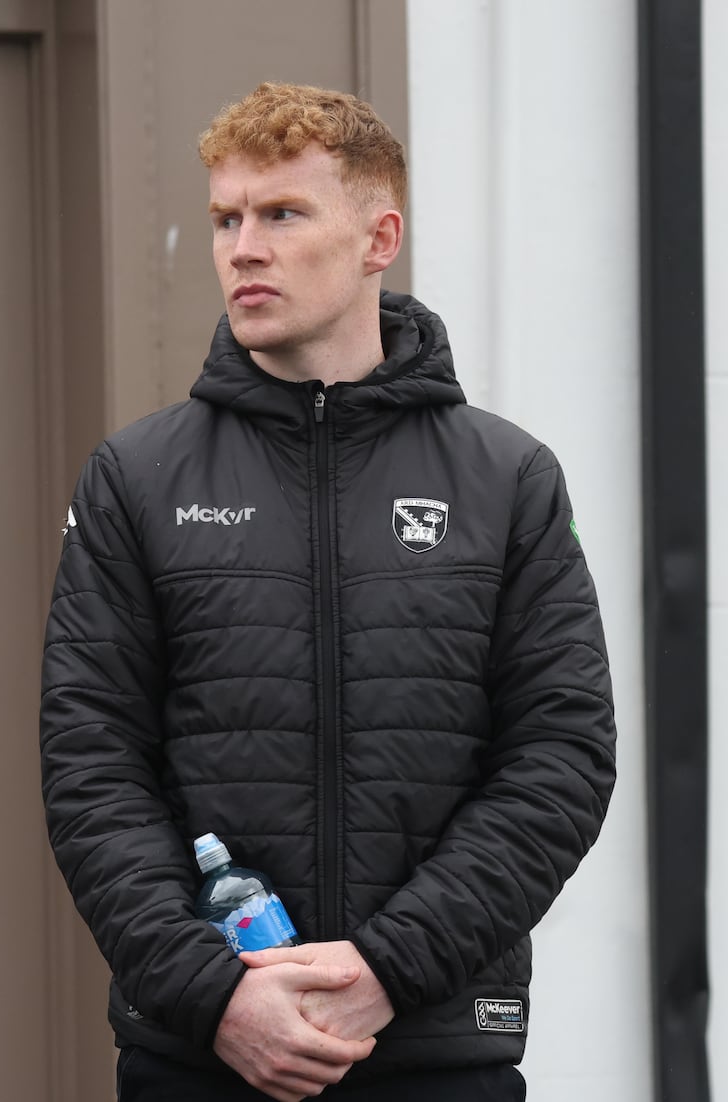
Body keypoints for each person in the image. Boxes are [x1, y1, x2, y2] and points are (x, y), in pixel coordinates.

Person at [40, 81, 617, 1102]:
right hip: (199, 1053)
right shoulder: (137, 478)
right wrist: (215, 994)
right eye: (226, 218)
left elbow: (558, 758)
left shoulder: (505, 479)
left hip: (434, 1049)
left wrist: (387, 970)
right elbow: (92, 763)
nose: (241, 248)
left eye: (281, 214)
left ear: (376, 236)